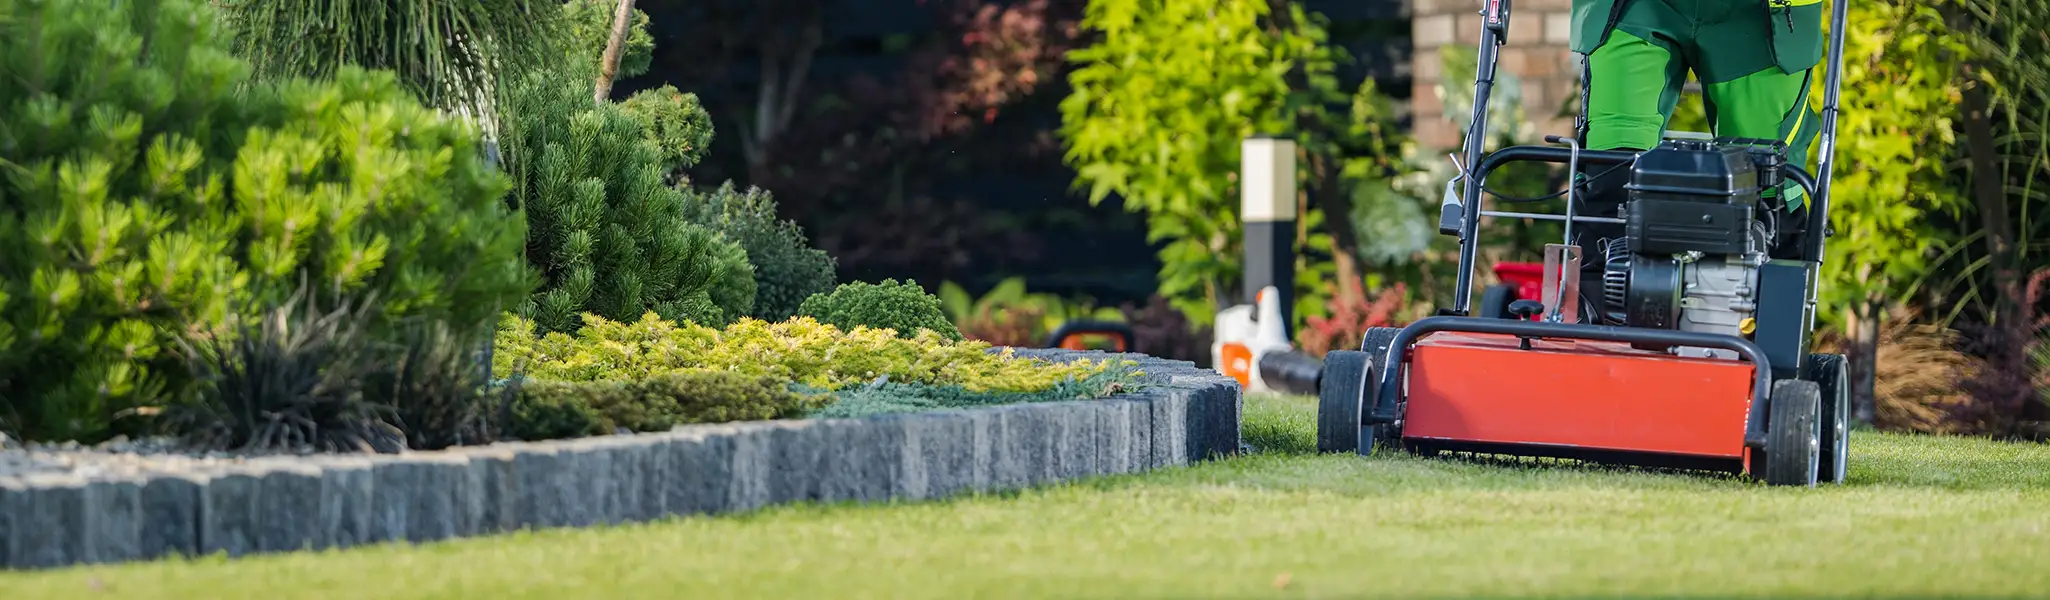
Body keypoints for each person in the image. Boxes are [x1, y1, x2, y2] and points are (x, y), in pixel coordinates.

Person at [1567, 0, 1826, 316]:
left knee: (1763, 179)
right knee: (1612, 166)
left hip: (1763, 17)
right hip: (1633, 9)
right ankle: (1599, 325)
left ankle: (1767, 325)